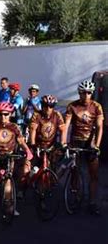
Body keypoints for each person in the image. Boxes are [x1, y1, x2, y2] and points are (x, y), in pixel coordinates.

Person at [0, 102, 33, 216]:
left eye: (6, 114)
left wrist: (27, 151)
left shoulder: (14, 127)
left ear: (10, 114)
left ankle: (9, 207)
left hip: (9, 158)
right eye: (1, 114)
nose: (3, 117)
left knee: (8, 181)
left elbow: (21, 141)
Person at [64, 79, 104, 215]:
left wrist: (97, 145)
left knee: (94, 174)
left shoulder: (97, 106)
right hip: (76, 141)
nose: (86, 95)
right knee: (75, 171)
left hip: (90, 143)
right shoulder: (72, 106)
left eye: (88, 93)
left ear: (91, 93)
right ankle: (75, 195)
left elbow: (99, 126)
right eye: (83, 93)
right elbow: (66, 126)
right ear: (79, 93)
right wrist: (64, 143)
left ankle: (92, 202)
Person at [20, 95, 66, 197]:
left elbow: (63, 130)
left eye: (51, 106)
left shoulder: (57, 115)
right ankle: (22, 188)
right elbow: (33, 130)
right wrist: (32, 145)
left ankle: (42, 194)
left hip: (50, 147)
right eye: (45, 106)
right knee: (26, 169)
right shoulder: (37, 114)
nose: (48, 109)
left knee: (47, 170)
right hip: (36, 145)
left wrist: (63, 144)